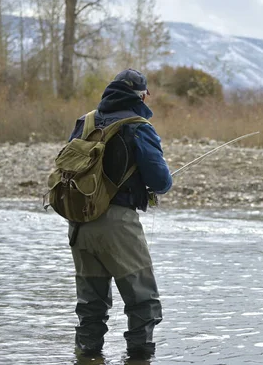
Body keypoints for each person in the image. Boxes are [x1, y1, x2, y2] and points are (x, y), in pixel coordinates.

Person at [67, 68, 172, 359]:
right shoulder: (137, 126)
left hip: (79, 222)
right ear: (141, 95)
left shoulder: (85, 121)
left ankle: (86, 356)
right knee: (143, 302)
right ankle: (139, 358)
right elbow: (161, 181)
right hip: (118, 224)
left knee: (91, 306)